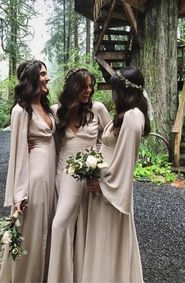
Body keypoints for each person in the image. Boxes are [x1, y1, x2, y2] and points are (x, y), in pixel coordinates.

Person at [83, 67, 151, 283]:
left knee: (109, 239)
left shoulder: (133, 117)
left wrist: (103, 185)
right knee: (101, 238)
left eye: (114, 89)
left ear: (123, 90)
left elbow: (125, 162)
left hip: (110, 190)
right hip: (102, 182)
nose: (112, 94)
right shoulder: (125, 115)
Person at [47, 67, 111, 282]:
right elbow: (51, 142)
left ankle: (81, 274)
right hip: (62, 173)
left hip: (86, 175)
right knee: (61, 223)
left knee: (81, 224)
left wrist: (98, 165)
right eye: (84, 86)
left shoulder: (98, 109)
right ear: (73, 87)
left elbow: (110, 140)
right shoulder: (57, 111)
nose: (88, 91)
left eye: (91, 87)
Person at [0, 60, 56, 283]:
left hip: (51, 177)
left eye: (46, 73)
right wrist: (19, 195)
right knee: (30, 234)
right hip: (34, 181)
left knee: (47, 228)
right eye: (42, 74)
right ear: (31, 78)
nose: (47, 78)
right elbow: (19, 155)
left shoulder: (47, 108)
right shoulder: (20, 111)